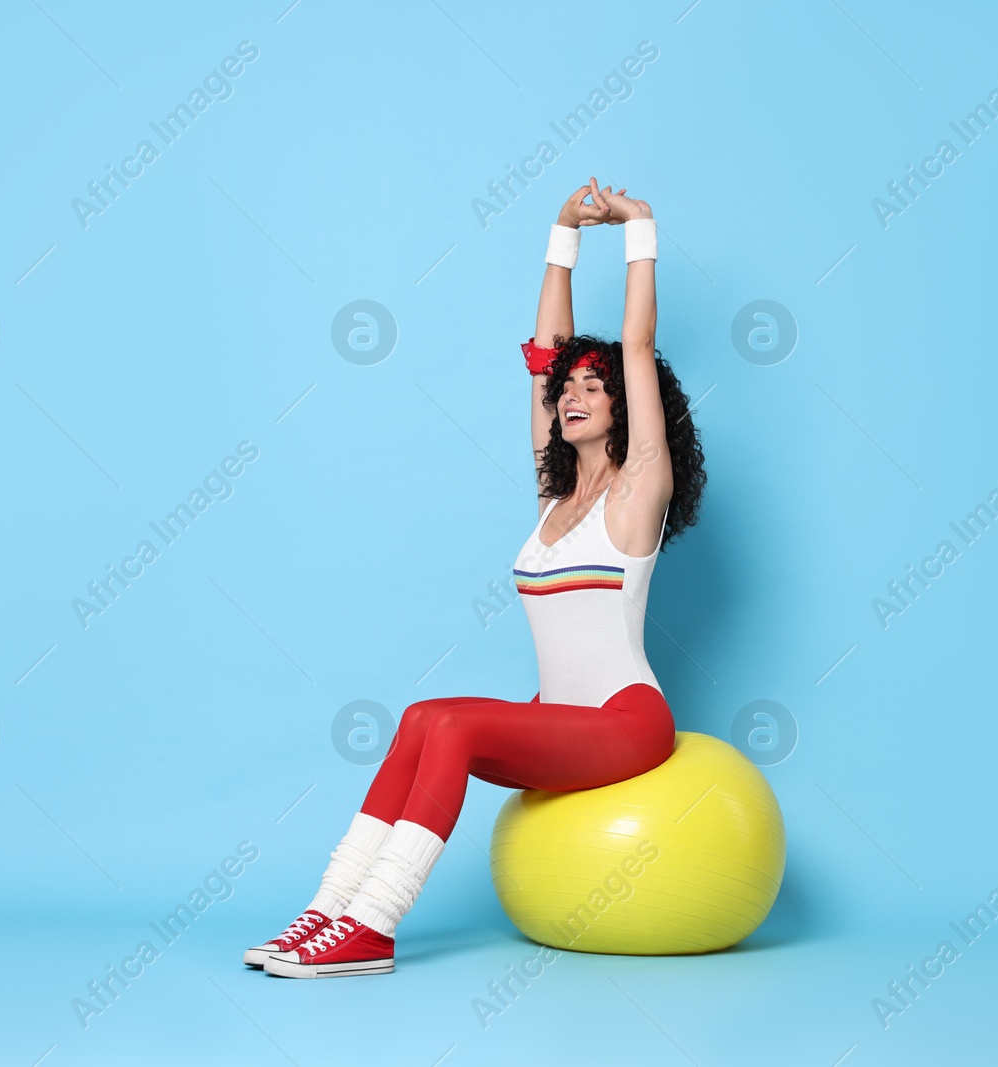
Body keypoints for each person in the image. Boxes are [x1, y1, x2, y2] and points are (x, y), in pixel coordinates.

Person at [246, 178, 707, 978]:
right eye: (568, 389)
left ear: (629, 406)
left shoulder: (639, 495)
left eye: (594, 388)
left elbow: (636, 345)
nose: (572, 395)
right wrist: (561, 232)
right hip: (560, 717)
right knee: (425, 714)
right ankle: (330, 909)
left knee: (453, 728)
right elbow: (541, 355)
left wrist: (640, 228)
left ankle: (375, 927)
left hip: (626, 721)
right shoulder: (555, 497)